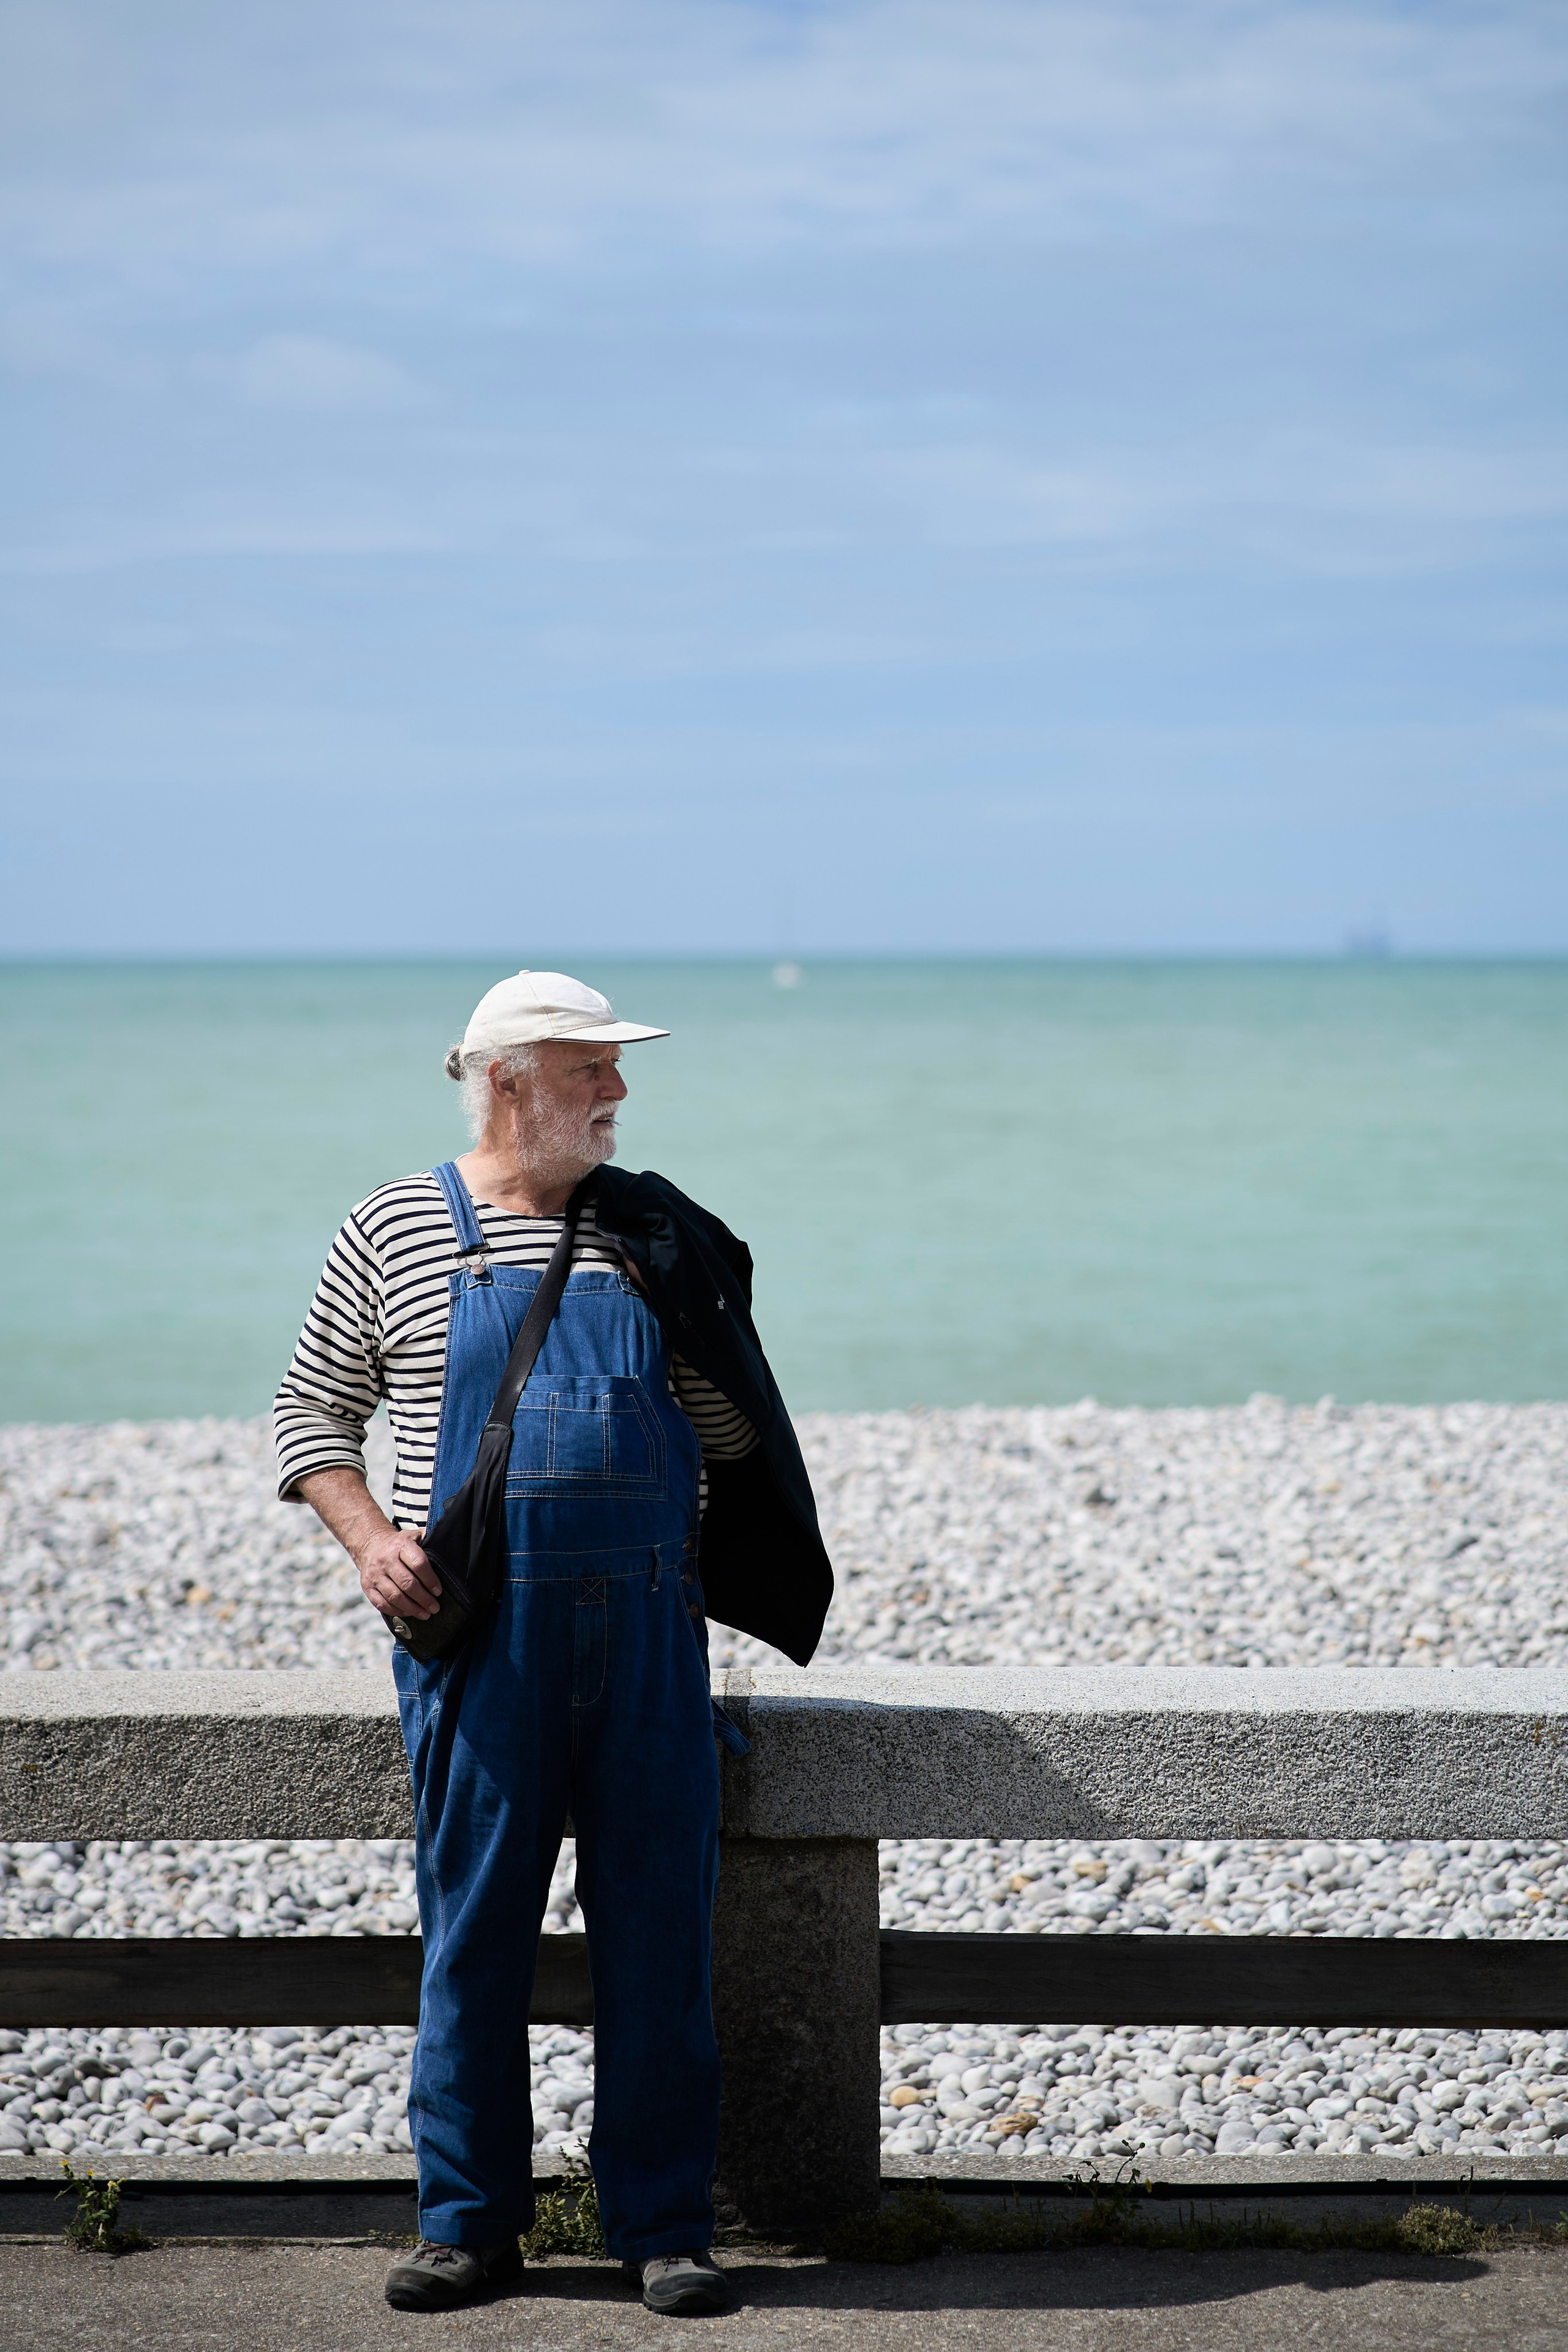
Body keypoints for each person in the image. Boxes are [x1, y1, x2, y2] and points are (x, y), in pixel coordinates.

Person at [274, 969, 832, 2314]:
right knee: (472, 1938)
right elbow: (308, 1419)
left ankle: (664, 2228)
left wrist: (698, 1325)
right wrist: (370, 1542)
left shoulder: (651, 1227)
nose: (619, 1095)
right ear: (512, 1082)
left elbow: (727, 1426)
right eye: (593, 1071)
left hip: (647, 1635)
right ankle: (466, 2224)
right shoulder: (395, 1225)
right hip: (480, 1646)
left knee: (659, 1938)